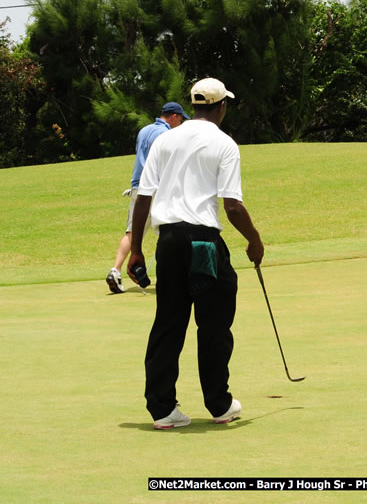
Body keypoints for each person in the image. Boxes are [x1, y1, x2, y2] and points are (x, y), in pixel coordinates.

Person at [127, 78, 264, 429]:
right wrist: (254, 239)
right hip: (203, 243)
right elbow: (232, 206)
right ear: (221, 107)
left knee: (168, 325)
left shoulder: (165, 139)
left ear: (194, 105)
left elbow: (144, 196)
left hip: (168, 242)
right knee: (214, 323)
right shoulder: (225, 144)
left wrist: (138, 250)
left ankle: (162, 410)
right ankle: (219, 404)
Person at [106, 102, 190, 294]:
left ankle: (116, 270)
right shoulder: (168, 135)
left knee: (132, 233)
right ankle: (171, 276)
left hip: (138, 187)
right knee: (166, 231)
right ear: (175, 116)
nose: (181, 123)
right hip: (158, 188)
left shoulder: (143, 131)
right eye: (181, 119)